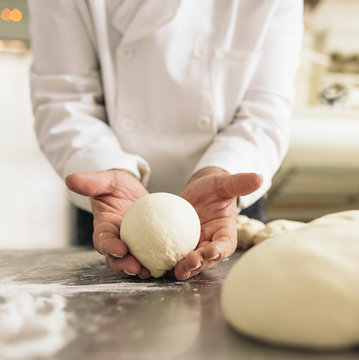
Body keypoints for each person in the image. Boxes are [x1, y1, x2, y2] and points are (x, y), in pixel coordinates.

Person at [28, 1, 303, 280]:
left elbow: (265, 110)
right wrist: (106, 166)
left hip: (224, 204)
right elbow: (64, 99)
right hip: (111, 208)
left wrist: (221, 170)